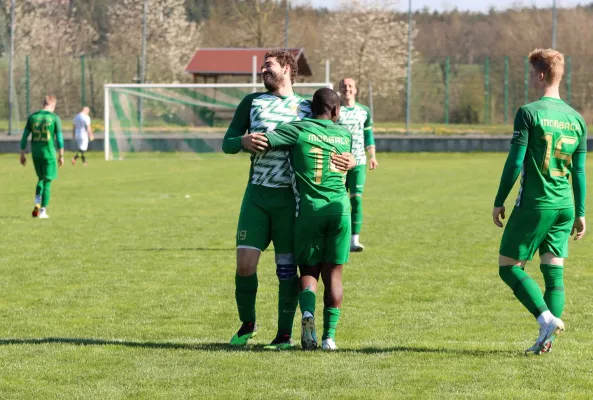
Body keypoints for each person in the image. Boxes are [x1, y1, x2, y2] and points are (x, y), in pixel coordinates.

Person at [222, 50, 353, 350]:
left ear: (287, 69)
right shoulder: (251, 102)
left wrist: (349, 161)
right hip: (256, 195)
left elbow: (334, 139)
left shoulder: (307, 108)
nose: (263, 70)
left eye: (268, 65)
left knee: (286, 270)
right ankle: (247, 325)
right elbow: (227, 142)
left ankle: (284, 335)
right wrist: (241, 142)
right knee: (245, 265)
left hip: (292, 201)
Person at [492, 48, 587, 355]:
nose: (529, 76)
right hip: (564, 206)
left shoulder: (529, 112)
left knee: (509, 267)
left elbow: (515, 161)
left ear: (541, 74)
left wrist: (498, 200)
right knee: (553, 271)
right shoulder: (577, 119)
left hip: (536, 203)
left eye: (531, 71)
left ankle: (545, 319)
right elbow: (580, 171)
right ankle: (547, 341)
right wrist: (581, 212)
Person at [263, 88, 352, 350]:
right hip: (340, 210)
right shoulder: (344, 134)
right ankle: (329, 338)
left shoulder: (297, 129)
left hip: (309, 210)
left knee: (309, 271)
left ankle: (308, 316)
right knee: (334, 275)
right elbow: (350, 161)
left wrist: (245, 139)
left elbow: (267, 140)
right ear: (336, 111)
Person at [337, 78, 378, 252]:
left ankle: (355, 240)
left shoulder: (364, 111)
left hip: (359, 161)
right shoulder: (335, 110)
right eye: (344, 86)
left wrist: (373, 156)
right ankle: (339, 238)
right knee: (339, 201)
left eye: (350, 86)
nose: (347, 89)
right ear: (339, 89)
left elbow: (368, 135)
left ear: (356, 90)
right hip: (338, 162)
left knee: (357, 200)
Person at [20, 95, 65, 219]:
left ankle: (37, 204)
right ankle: (43, 211)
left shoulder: (32, 117)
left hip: (36, 153)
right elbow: (60, 139)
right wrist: (61, 155)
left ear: (43, 103)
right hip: (48, 153)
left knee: (40, 178)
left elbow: (24, 137)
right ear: (53, 105)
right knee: (47, 181)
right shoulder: (54, 118)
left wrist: (22, 154)